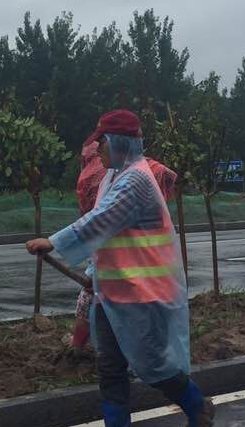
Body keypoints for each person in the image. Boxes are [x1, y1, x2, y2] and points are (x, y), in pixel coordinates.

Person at [26, 109, 215, 427]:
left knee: (152, 364)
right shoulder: (114, 177)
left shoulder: (136, 180)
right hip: (113, 294)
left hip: (143, 294)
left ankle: (197, 407)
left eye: (103, 143)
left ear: (119, 143)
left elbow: (102, 220)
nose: (98, 150)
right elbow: (108, 236)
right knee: (110, 367)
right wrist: (94, 273)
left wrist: (54, 242)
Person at [70, 141, 177, 350]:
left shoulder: (126, 177)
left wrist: (53, 243)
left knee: (94, 302)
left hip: (127, 264)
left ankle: (79, 346)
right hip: (134, 264)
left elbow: (97, 219)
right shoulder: (119, 174)